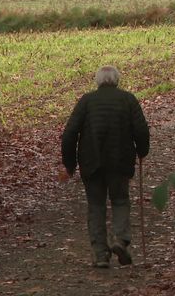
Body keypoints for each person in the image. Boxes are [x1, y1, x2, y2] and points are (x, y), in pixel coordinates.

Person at [61, 66, 150, 268]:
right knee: (120, 200)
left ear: (98, 81)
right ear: (117, 80)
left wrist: (70, 164)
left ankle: (100, 254)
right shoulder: (128, 99)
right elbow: (141, 129)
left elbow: (69, 134)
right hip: (120, 162)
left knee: (96, 206)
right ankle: (120, 239)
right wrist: (142, 150)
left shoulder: (86, 101)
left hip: (91, 163)